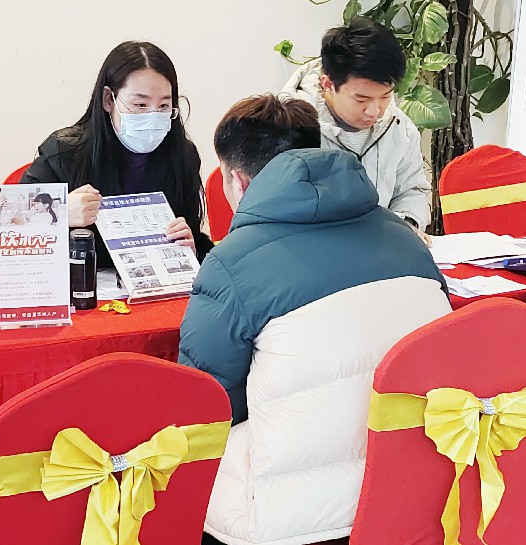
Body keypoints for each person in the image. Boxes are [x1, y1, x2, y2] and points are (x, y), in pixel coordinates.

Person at [179, 95, 451, 545]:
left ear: (237, 181)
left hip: (285, 518)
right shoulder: (406, 239)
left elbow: (208, 405)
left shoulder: (232, 264)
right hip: (413, 494)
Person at [20, 41, 212, 266]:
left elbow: (194, 236)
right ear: (108, 100)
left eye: (163, 106)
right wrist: (60, 214)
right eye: (140, 105)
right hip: (84, 282)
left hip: (156, 282)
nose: (153, 117)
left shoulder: (183, 156)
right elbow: (8, 228)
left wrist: (190, 247)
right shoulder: (63, 153)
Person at [281, 17, 432, 241]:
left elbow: (413, 189)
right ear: (327, 84)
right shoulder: (289, 129)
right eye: (361, 99)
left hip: (383, 249)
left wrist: (405, 225)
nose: (374, 111)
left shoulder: (400, 128)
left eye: (385, 96)